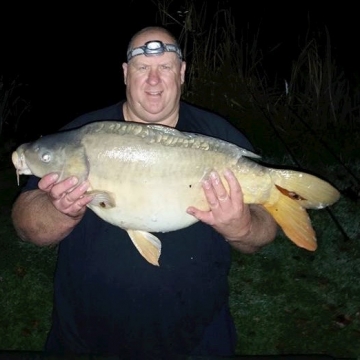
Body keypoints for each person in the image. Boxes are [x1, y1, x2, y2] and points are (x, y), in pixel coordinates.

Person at [11, 26, 278, 358]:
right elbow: (25, 225)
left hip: (197, 343)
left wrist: (242, 226)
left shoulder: (219, 138)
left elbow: (264, 231)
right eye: (142, 68)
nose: (154, 80)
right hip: (86, 342)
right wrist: (59, 211)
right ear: (125, 74)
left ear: (181, 73)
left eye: (165, 67)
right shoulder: (80, 137)